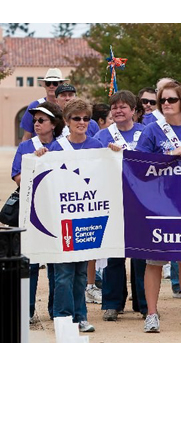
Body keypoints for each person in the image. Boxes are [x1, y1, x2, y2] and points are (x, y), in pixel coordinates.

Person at [135, 80, 181, 332]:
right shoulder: (151, 131)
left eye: (171, 100)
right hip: (158, 204)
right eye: (163, 100)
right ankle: (152, 314)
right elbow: (139, 166)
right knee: (154, 262)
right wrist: (168, 157)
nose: (166, 104)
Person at [44, 98, 105, 332]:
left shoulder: (97, 146)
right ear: (67, 121)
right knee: (63, 274)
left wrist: (113, 155)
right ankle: (63, 318)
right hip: (62, 220)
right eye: (76, 118)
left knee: (81, 274)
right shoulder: (56, 148)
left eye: (86, 118)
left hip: (87, 218)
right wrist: (40, 157)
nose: (82, 122)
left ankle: (80, 316)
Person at [93, 90, 148, 321]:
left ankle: (144, 303)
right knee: (114, 253)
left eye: (123, 106)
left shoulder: (146, 133)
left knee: (141, 255)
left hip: (141, 201)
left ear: (134, 111)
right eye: (114, 107)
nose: (118, 110)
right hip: (113, 200)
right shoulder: (102, 137)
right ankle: (112, 303)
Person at [11, 102, 65, 323]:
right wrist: (35, 162)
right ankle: (27, 310)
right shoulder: (26, 147)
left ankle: (55, 310)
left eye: (41, 120)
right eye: (35, 120)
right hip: (31, 211)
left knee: (55, 263)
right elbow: (17, 178)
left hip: (55, 211)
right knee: (30, 263)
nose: (36, 124)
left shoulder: (62, 148)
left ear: (53, 124)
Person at [20, 68, 68, 141]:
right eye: (48, 83)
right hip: (39, 149)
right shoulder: (34, 106)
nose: (51, 86)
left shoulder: (67, 107)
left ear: (61, 85)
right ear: (45, 86)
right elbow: (27, 136)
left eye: (55, 83)